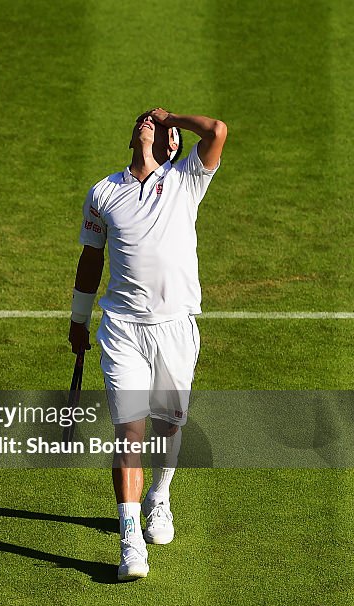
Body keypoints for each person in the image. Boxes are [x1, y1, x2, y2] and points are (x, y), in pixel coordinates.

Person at [68, 108, 227, 581]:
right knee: (130, 433)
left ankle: (160, 494)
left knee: (169, 426)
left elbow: (217, 131)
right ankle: (130, 541)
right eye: (143, 120)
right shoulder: (104, 193)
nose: (148, 123)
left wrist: (173, 114)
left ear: (174, 144)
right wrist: (79, 319)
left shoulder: (187, 181)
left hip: (176, 327)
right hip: (121, 329)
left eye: (159, 125)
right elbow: (90, 260)